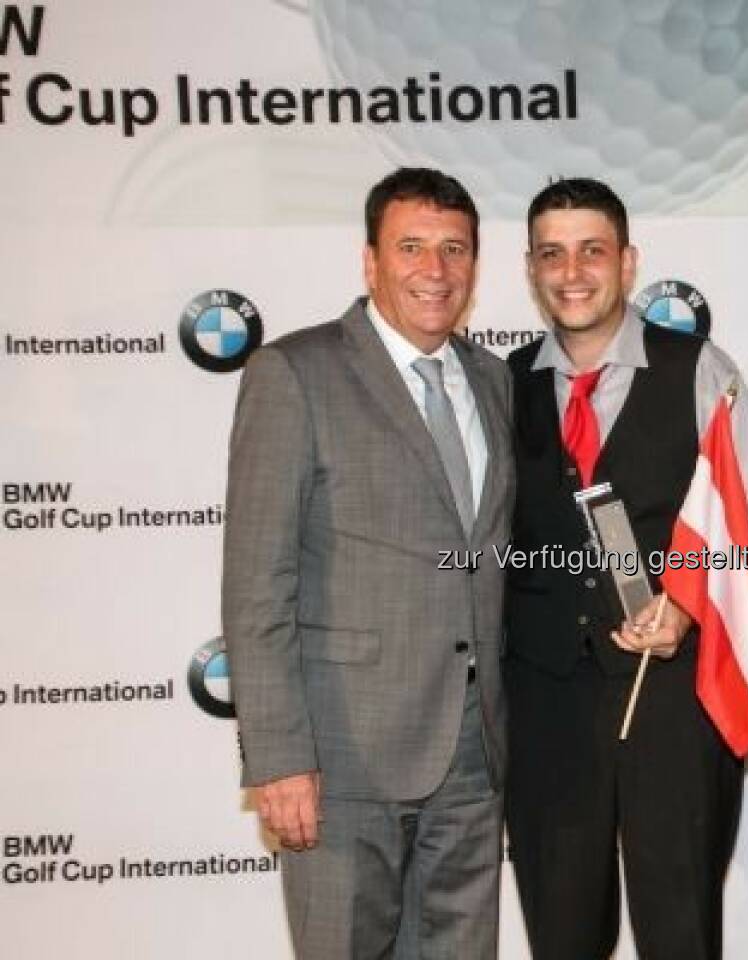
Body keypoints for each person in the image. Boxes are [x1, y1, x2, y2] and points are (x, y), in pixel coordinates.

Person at [222, 168, 513, 958]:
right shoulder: (295, 374)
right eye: (412, 246)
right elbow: (257, 586)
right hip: (341, 759)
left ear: (475, 267)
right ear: (369, 261)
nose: (435, 270)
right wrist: (279, 757)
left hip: (472, 757)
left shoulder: (493, 382)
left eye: (455, 249)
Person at [503, 177, 748, 960]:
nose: (573, 271)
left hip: (674, 700)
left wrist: (690, 610)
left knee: (681, 932)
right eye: (552, 253)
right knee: (561, 937)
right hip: (546, 707)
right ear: (531, 268)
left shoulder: (700, 368)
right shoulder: (500, 385)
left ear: (627, 262)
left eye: (592, 250)